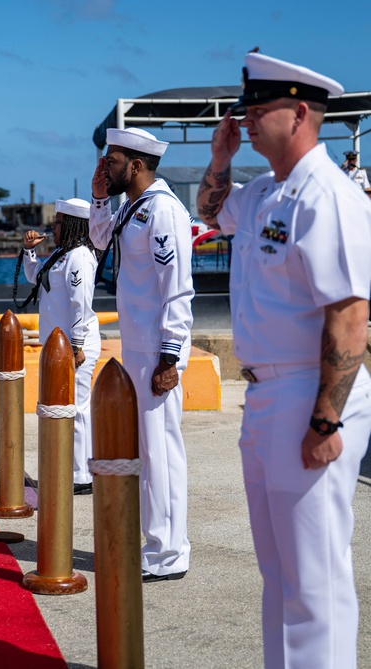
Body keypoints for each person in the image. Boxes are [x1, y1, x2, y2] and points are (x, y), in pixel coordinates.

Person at [197, 51, 371, 669]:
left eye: (256, 107)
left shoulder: (328, 195)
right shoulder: (269, 192)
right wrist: (221, 159)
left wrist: (326, 420)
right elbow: (211, 213)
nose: (244, 116)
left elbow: (349, 315)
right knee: (280, 572)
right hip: (268, 394)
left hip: (309, 392)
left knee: (314, 576)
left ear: (299, 112)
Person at [88, 127, 194, 583]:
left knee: (161, 450)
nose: (104, 167)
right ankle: (154, 542)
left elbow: (178, 287)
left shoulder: (164, 211)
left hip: (155, 347)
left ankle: (169, 552)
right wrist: (98, 198)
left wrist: (171, 357)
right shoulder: (135, 206)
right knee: (145, 450)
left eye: (111, 161)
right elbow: (98, 242)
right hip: (137, 344)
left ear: (135, 165)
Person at [21, 199, 101, 495]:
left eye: (57, 222)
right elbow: (35, 277)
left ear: (70, 224)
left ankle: (81, 475)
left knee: (77, 409)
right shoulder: (61, 254)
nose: (52, 227)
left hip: (75, 347)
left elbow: (81, 303)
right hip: (60, 347)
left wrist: (77, 345)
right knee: (66, 409)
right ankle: (72, 470)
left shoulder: (80, 256)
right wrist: (29, 250)